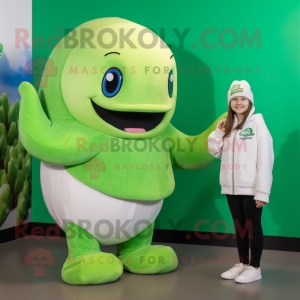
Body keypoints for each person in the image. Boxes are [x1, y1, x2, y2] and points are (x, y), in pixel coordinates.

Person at [207, 80, 274, 284]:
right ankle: (243, 264)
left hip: (252, 188)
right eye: (234, 99)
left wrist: (262, 192)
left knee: (253, 228)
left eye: (242, 98)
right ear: (230, 102)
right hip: (231, 187)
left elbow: (266, 159)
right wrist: (219, 131)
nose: (238, 102)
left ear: (250, 101)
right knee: (240, 227)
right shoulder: (228, 125)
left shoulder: (258, 124)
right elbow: (215, 151)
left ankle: (255, 268)